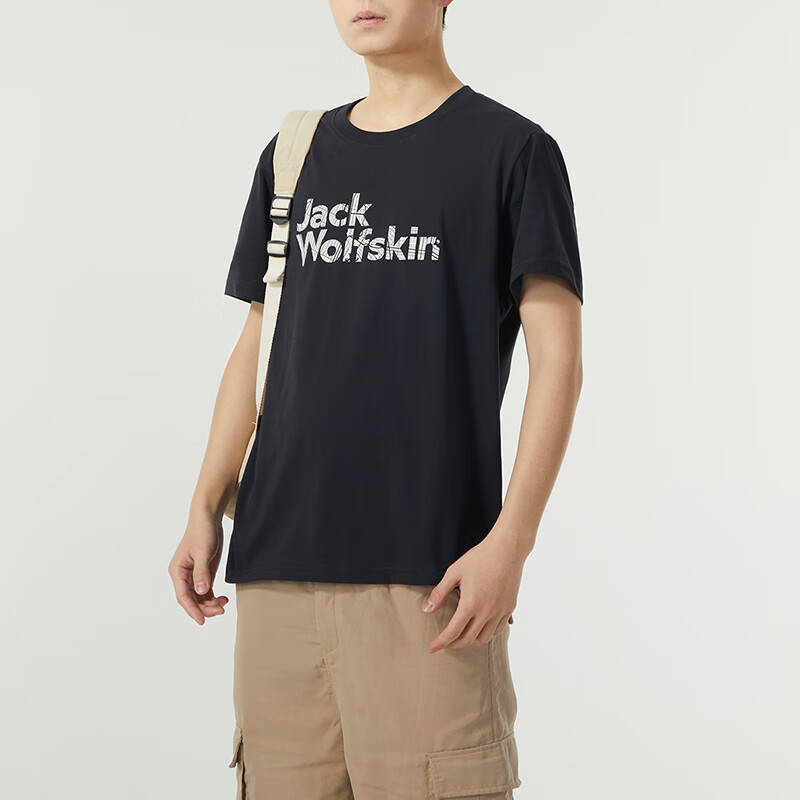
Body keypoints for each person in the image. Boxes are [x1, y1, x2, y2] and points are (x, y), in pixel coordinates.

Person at [168, 2, 583, 797]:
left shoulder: (512, 151)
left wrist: (512, 542)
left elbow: (557, 364)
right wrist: (204, 503)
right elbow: (257, 344)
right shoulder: (293, 155)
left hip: (430, 580)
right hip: (278, 571)